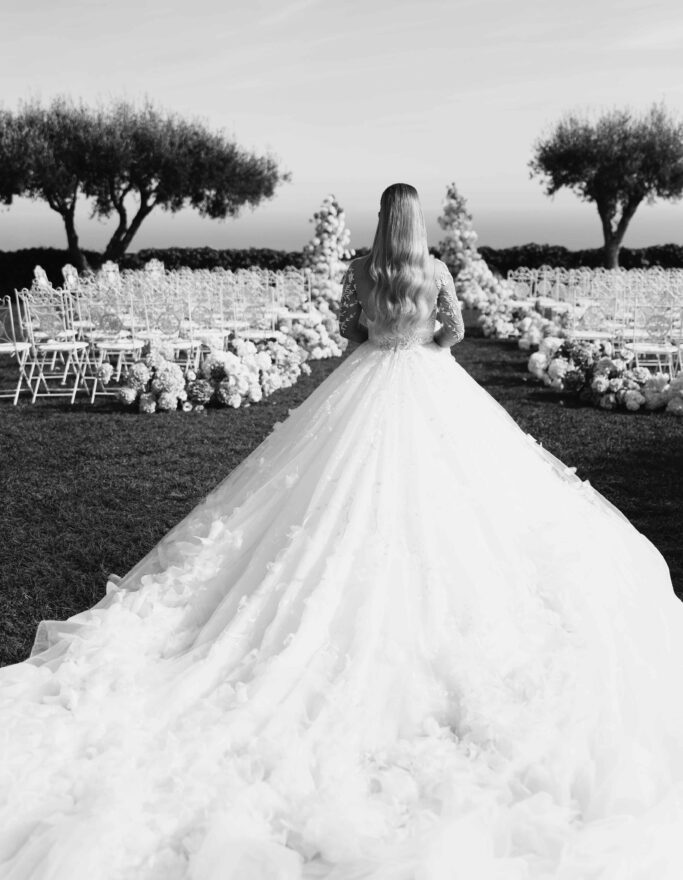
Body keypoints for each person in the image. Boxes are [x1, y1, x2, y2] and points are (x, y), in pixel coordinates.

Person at [1, 182, 683, 880]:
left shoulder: (362, 270)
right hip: (429, 381)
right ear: (418, 223)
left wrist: (381, 336)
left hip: (363, 384)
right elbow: (455, 332)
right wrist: (425, 337)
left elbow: (349, 329)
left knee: (315, 499)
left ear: (380, 221)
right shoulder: (438, 270)